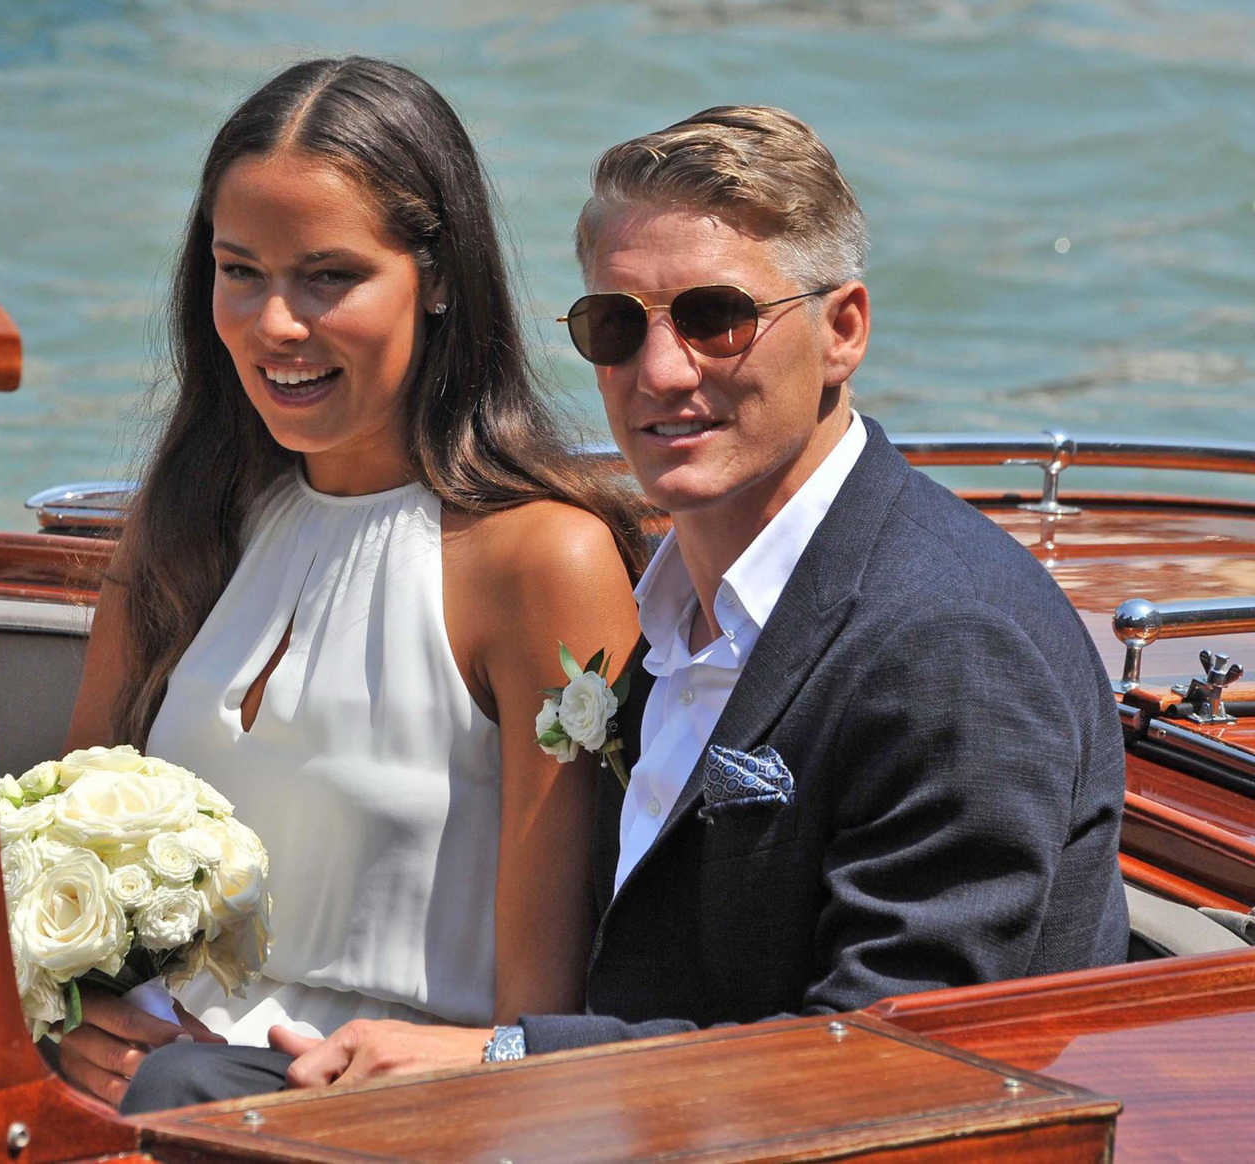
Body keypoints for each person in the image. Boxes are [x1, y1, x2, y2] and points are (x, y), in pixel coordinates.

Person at [270, 104, 1130, 1087]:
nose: (661, 371)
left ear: (841, 331)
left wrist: (498, 1060)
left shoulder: (948, 642)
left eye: (717, 319)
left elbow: (896, 1065)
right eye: (616, 326)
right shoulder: (663, 608)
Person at [54, 57, 647, 1108]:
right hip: (154, 1093)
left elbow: (537, 1015)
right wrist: (71, 1020)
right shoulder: (182, 528)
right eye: (240, 270)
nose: (276, 323)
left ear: (441, 279)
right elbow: (58, 868)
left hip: (394, 1113)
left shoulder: (541, 561)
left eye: (328, 276)